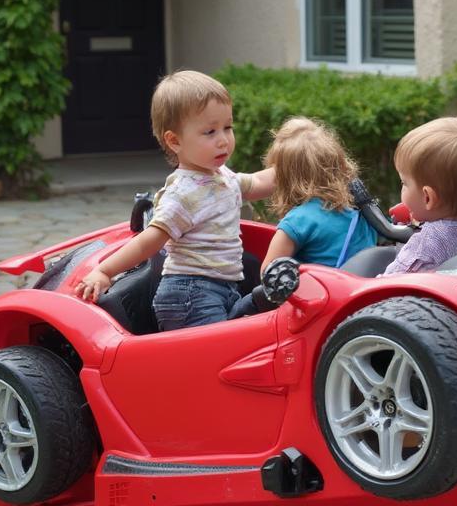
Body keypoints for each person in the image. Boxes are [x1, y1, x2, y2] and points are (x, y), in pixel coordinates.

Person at [74, 70, 292, 329]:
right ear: (174, 141)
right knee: (220, 351)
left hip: (220, 287)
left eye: (228, 127)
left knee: (239, 337)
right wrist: (104, 271)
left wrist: (297, 165)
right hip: (190, 293)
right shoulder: (183, 193)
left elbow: (257, 183)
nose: (223, 140)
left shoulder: (221, 176)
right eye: (210, 132)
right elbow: (148, 242)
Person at [229, 117, 377, 317]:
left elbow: (270, 275)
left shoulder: (298, 220)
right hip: (354, 298)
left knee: (242, 292)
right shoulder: (361, 214)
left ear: (282, 178)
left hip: (316, 306)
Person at [381, 114, 457, 276]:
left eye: (404, 183)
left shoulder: (426, 244)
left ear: (428, 198)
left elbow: (388, 285)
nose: (402, 188)